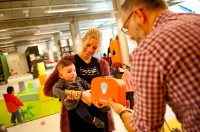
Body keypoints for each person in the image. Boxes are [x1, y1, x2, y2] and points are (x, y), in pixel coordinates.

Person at [108, 0, 200, 132]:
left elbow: (145, 129)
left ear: (139, 15)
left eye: (128, 28)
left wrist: (121, 111)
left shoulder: (147, 52)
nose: (131, 37)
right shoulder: (196, 20)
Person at [44, 28, 115, 132]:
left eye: (94, 47)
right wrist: (79, 95)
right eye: (88, 45)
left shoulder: (102, 64)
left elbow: (107, 90)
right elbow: (48, 89)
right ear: (83, 41)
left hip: (100, 117)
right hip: (77, 118)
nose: (90, 50)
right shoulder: (68, 62)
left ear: (99, 48)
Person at [53, 60, 111, 129]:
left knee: (94, 101)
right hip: (75, 103)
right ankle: (94, 120)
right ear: (61, 75)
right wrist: (65, 95)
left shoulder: (78, 79)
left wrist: (93, 89)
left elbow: (86, 85)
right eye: (69, 72)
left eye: (74, 71)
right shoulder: (62, 82)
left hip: (86, 96)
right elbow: (55, 89)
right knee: (84, 115)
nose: (73, 73)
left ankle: (101, 106)